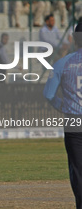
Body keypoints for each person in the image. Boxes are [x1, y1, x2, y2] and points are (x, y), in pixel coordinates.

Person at [43, 22, 82, 209]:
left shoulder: (62, 63)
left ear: (75, 40)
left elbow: (48, 94)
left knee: (78, 170)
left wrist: (64, 107)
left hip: (74, 120)